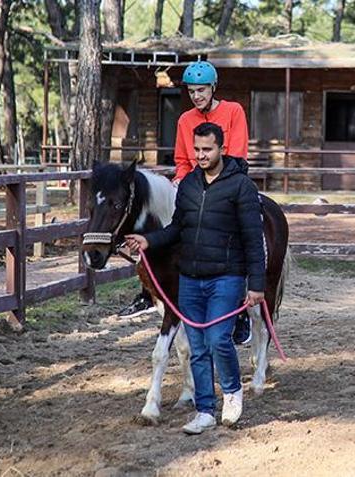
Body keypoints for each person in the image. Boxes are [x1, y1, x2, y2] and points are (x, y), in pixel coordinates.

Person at [125, 122, 265, 434]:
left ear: (221, 149)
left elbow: (253, 239)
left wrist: (256, 284)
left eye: (207, 150)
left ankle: (231, 393)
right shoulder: (188, 186)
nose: (201, 156)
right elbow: (177, 228)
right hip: (190, 276)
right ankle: (205, 409)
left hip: (226, 276)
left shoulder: (241, 187)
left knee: (217, 339)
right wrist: (151, 241)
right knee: (198, 345)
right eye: (197, 150)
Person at [119, 61, 253, 347]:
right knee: (168, 223)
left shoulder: (233, 111)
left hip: (228, 181)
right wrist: (182, 182)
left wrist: (216, 185)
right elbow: (181, 161)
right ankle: (153, 288)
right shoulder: (184, 120)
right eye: (192, 91)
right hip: (193, 185)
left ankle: (241, 307)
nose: (196, 96)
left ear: (213, 88)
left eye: (201, 90)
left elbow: (238, 154)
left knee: (238, 232)